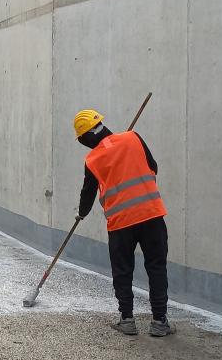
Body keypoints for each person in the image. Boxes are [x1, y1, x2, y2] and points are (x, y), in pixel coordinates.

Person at [73, 109, 173, 337]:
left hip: (120, 224)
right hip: (151, 215)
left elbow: (88, 192)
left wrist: (81, 214)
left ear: (86, 138)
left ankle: (127, 319)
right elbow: (153, 167)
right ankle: (159, 321)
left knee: (123, 271)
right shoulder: (133, 138)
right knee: (156, 267)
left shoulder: (93, 160)